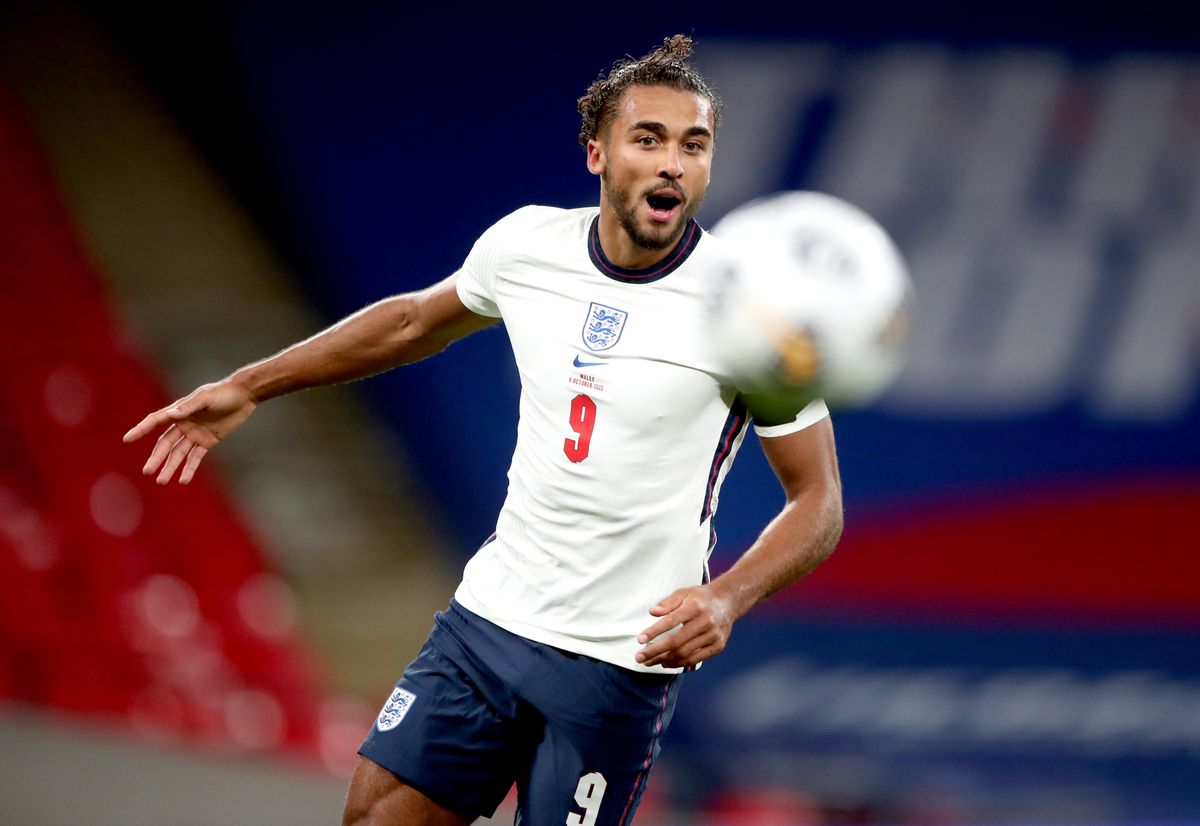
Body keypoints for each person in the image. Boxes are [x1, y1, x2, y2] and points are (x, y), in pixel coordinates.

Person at [124, 34, 843, 826]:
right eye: (648, 138)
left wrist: (726, 599)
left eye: (693, 145)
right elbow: (409, 324)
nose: (674, 162)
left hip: (617, 662)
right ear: (596, 154)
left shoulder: (754, 315)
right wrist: (249, 384)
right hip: (490, 623)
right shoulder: (527, 245)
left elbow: (817, 499)